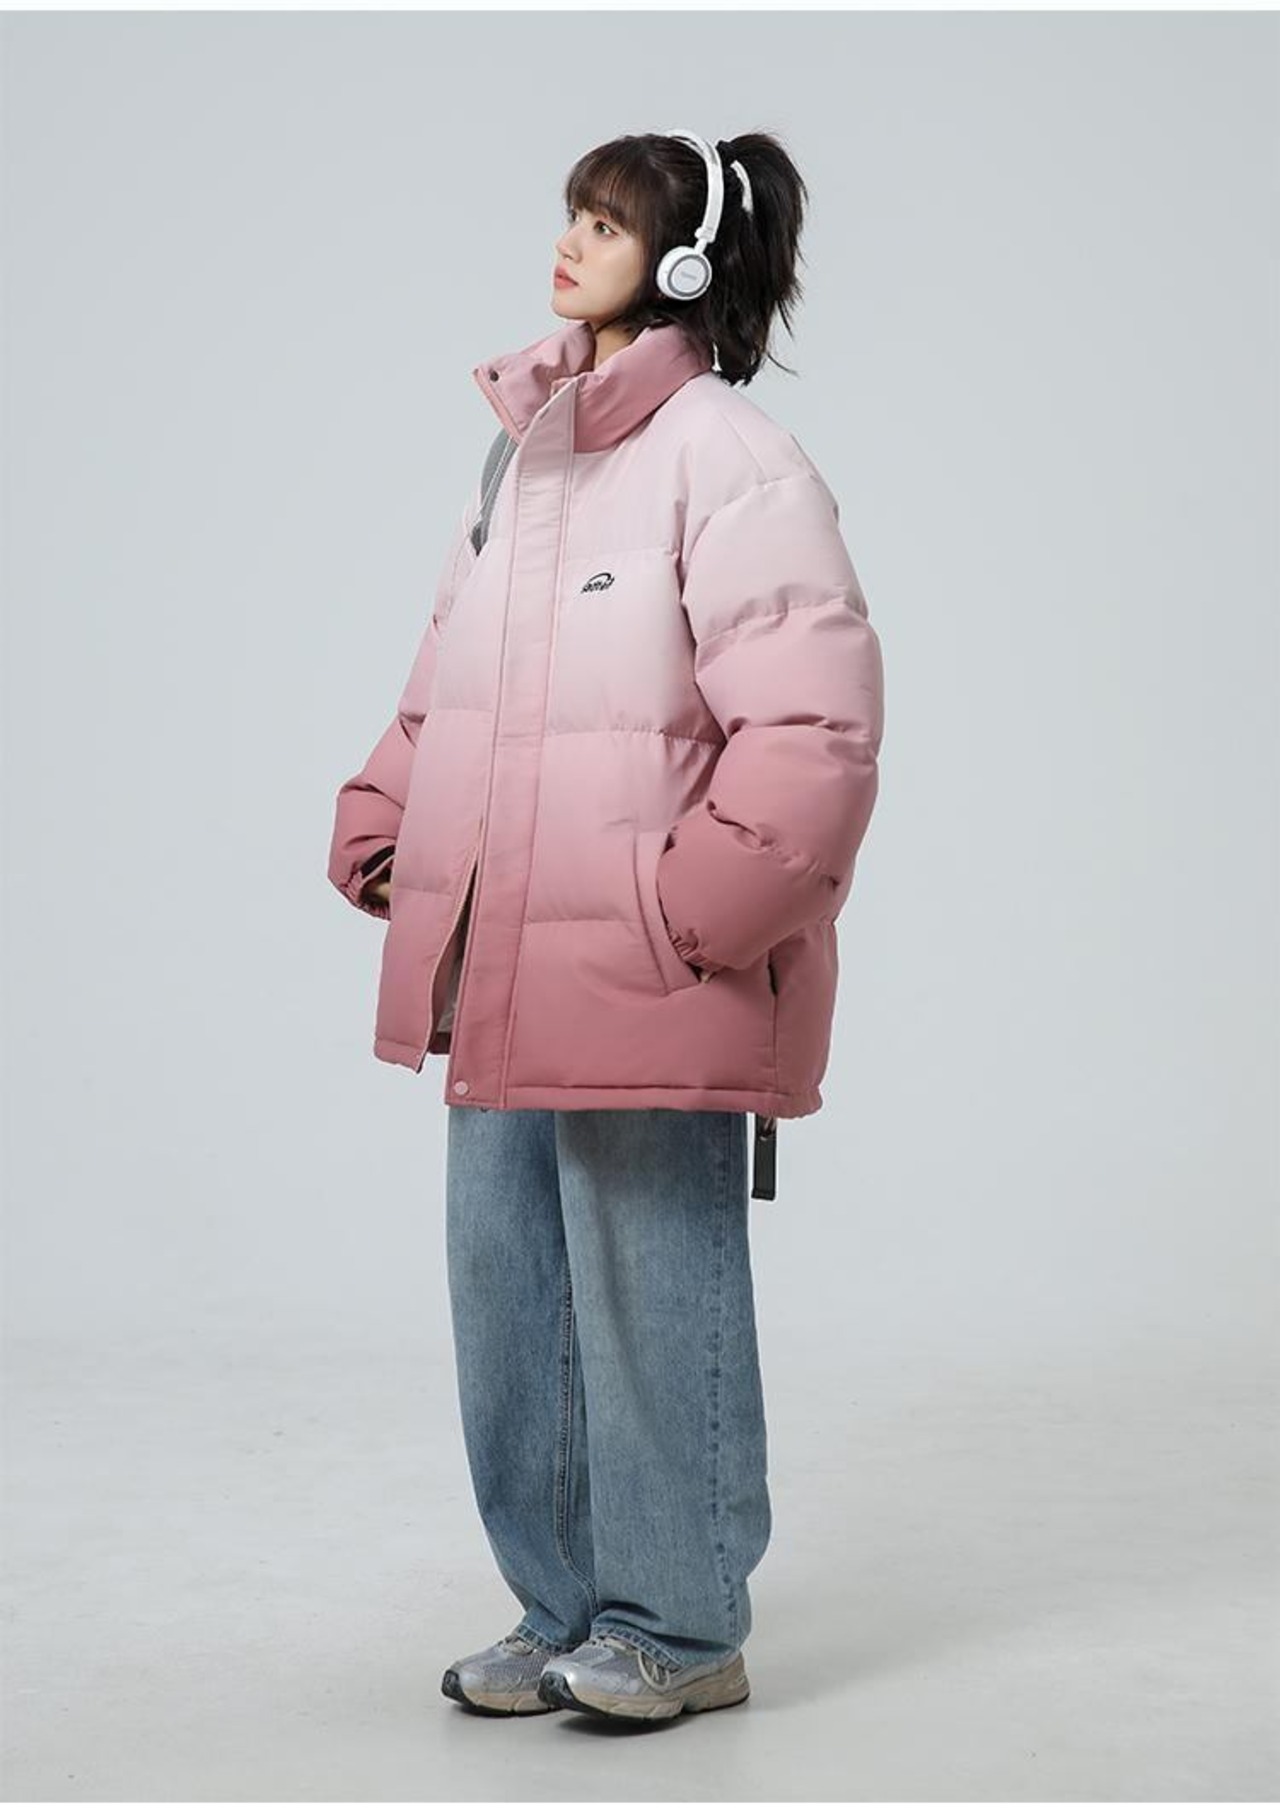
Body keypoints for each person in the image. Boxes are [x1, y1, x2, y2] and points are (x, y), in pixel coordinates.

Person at [327, 128, 886, 1725]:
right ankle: (561, 1605)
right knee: (510, 1296)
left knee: (653, 1297)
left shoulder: (730, 455)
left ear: (684, 260)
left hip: (650, 965)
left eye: (606, 220)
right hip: (500, 953)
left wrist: (689, 915)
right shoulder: (526, 457)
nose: (569, 240)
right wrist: (385, 816)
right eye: (569, 212)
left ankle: (679, 1624)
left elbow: (814, 726)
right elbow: (451, 678)